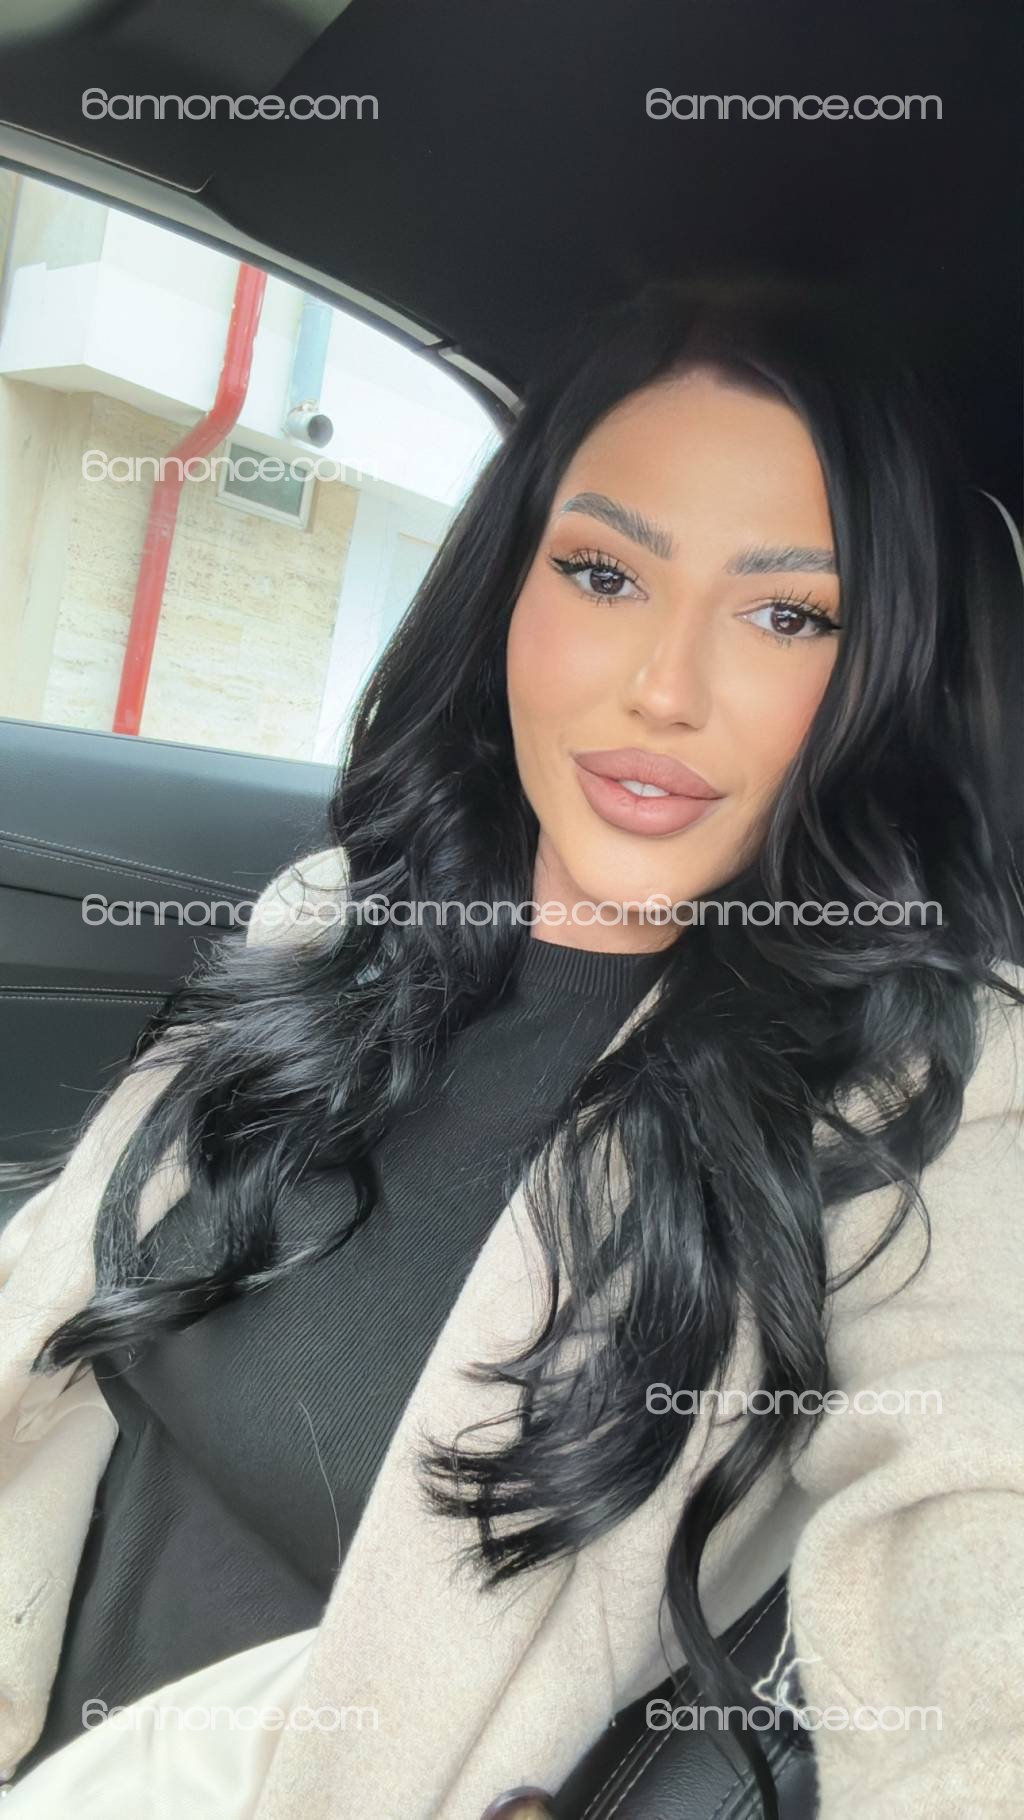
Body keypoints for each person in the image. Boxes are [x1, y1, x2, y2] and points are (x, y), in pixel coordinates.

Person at [0, 277, 1022, 1820]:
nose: (662, 689)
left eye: (787, 613)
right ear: (508, 591)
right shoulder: (331, 914)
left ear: (881, 676)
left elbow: (981, 1529)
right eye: (605, 574)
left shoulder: (929, 1090)